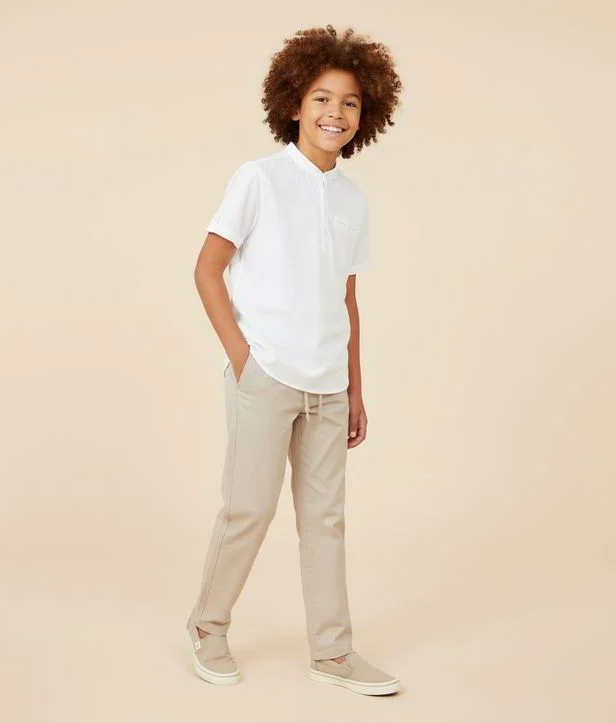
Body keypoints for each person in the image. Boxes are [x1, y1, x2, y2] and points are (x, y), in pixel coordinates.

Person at [186, 24, 403, 696]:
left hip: (328, 388)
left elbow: (348, 301)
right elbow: (207, 269)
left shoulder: (353, 200)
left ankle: (332, 652)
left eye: (350, 103)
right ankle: (207, 626)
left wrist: (355, 390)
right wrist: (244, 360)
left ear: (366, 115)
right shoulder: (259, 179)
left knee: (326, 522)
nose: (335, 113)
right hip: (267, 377)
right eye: (322, 98)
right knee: (248, 510)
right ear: (294, 103)